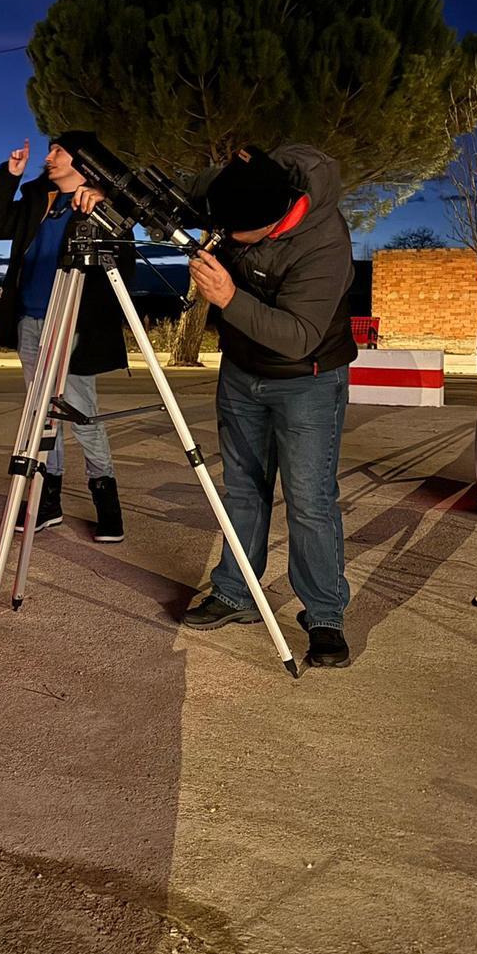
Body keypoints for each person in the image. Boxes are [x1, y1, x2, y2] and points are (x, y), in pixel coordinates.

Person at [180, 144, 356, 667]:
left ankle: (324, 615)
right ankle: (236, 593)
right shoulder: (245, 183)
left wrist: (229, 298)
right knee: (242, 492)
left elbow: (299, 336)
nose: (226, 239)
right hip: (241, 374)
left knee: (309, 501)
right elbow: (178, 191)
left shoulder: (325, 244)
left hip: (306, 380)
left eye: (236, 233)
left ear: (273, 223)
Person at [0, 131, 130, 542]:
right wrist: (9, 176)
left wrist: (104, 203)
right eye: (51, 150)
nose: (49, 157)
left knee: (82, 415)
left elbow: (125, 267)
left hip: (74, 325)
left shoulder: (100, 208)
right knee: (42, 415)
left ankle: (108, 507)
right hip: (31, 320)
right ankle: (48, 502)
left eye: (58, 151)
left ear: (83, 163)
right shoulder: (38, 199)